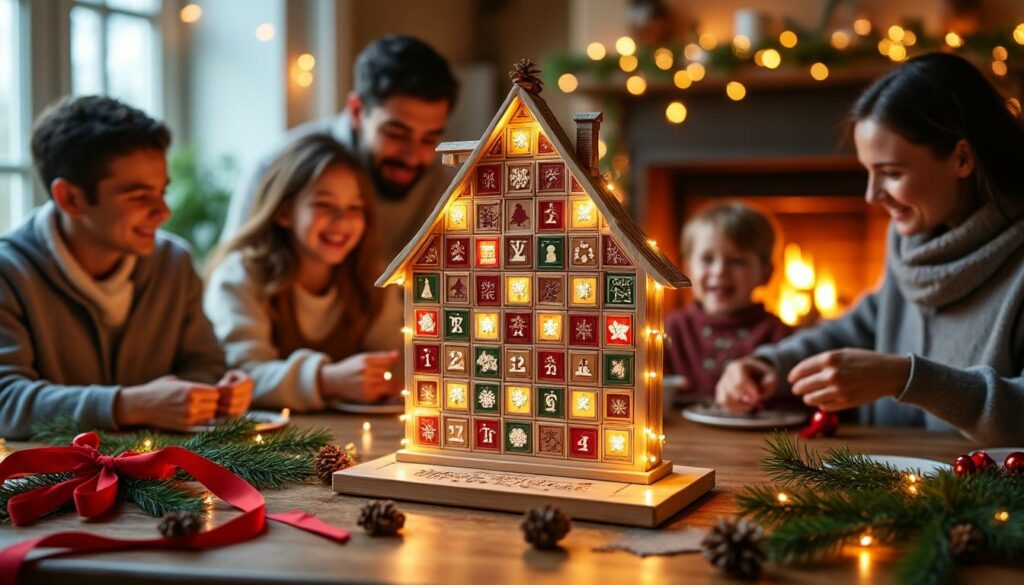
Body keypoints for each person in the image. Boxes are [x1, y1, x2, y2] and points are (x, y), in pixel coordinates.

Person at [716, 53, 1024, 445]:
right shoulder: (912, 239)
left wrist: (907, 378)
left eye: (892, 173)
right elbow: (865, 323)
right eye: (869, 171)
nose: (871, 195)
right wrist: (770, 364)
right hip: (881, 480)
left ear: (962, 157)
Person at [0, 95, 251, 439]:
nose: (163, 212)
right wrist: (127, 404)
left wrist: (216, 393)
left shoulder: (174, 263)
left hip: (163, 475)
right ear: (70, 199)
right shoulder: (9, 273)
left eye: (163, 192)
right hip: (45, 482)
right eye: (138, 197)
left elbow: (204, 364)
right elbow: (5, 402)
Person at [205, 134, 398, 410]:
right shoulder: (240, 276)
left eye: (355, 208)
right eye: (324, 205)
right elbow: (241, 377)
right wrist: (325, 380)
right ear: (284, 212)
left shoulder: (371, 277)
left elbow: (396, 360)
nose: (342, 221)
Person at [663, 202, 791, 402]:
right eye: (707, 259)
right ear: (687, 268)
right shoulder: (671, 330)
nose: (720, 271)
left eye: (737, 261)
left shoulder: (779, 335)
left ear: (766, 273)